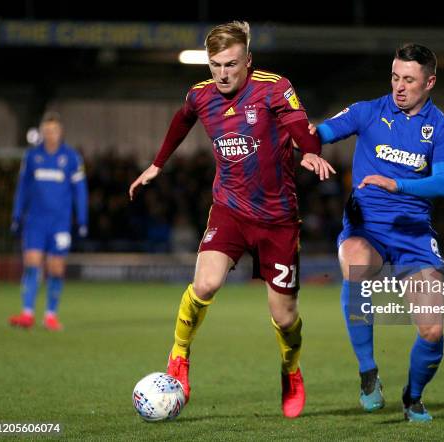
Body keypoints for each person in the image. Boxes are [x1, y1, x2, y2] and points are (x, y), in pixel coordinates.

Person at [129, 21, 334, 418]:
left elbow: (297, 125)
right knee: (205, 283)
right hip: (231, 209)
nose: (223, 73)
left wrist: (308, 150)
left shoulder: (274, 87)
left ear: (248, 61)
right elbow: (181, 120)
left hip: (278, 219)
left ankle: (291, 371)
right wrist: (157, 164)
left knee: (284, 315)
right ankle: (179, 356)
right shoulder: (200, 95)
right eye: (215, 64)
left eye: (231, 64)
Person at [311, 43, 444, 422]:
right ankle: (367, 373)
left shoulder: (442, 129)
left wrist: (399, 185)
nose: (399, 86)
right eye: (395, 77)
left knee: (431, 330)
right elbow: (321, 131)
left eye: (409, 79)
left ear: (430, 82)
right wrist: (306, 144)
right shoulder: (368, 111)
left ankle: (412, 397)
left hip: (413, 234)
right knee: (355, 261)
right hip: (368, 228)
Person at [9, 112, 89, 331]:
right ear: (42, 132)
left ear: (60, 132)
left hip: (60, 222)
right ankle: (27, 313)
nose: (49, 134)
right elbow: (22, 189)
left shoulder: (71, 158)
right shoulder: (32, 157)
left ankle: (50, 315)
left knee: (56, 268)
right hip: (35, 220)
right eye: (46, 131)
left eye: (53, 130)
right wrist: (16, 215)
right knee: (32, 263)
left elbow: (79, 191)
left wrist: (82, 219)